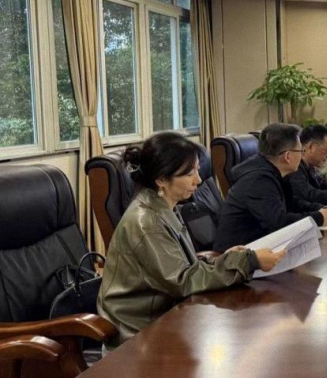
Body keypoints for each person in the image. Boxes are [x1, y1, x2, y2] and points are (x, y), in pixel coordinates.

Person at [98, 132, 285, 347]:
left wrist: (225, 259)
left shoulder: (163, 205)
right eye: (189, 173)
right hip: (138, 334)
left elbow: (182, 266)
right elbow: (183, 281)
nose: (198, 180)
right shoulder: (146, 222)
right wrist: (249, 261)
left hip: (166, 314)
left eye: (197, 169)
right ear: (161, 180)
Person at [213, 123, 327, 252]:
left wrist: (319, 209)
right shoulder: (258, 180)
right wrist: (319, 218)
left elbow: (292, 203)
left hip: (260, 247)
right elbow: (278, 223)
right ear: (288, 156)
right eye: (301, 151)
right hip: (238, 256)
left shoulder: (275, 172)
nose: (302, 155)